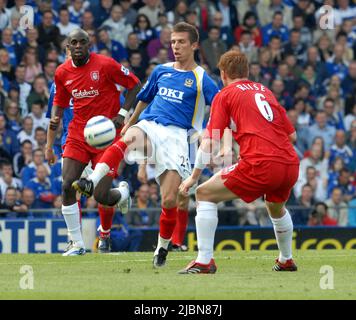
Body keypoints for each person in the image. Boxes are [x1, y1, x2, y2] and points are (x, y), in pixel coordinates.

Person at [72, 22, 219, 266]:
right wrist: (130, 121)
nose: (176, 46)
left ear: (194, 45)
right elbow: (144, 98)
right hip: (151, 125)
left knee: (169, 200)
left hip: (178, 138)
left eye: (181, 42)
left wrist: (208, 132)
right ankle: (91, 181)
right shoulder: (161, 70)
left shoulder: (202, 78)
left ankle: (162, 247)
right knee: (126, 139)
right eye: (173, 42)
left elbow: (220, 106)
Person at [178, 51, 300, 274]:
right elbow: (292, 136)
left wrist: (193, 177)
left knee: (204, 193)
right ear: (247, 72)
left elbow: (210, 141)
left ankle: (204, 261)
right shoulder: (266, 91)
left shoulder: (225, 95)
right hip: (290, 163)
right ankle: (286, 259)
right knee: (275, 206)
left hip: (261, 163)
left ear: (223, 74)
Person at [45, 28, 140, 256]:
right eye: (73, 43)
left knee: (100, 196)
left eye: (82, 42)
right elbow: (59, 103)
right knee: (67, 184)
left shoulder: (106, 64)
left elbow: (135, 84)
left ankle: (123, 193)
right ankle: (77, 244)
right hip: (78, 133)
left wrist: (122, 112)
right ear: (68, 47)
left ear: (90, 45)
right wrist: (49, 143)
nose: (78, 46)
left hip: (106, 136)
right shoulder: (61, 72)